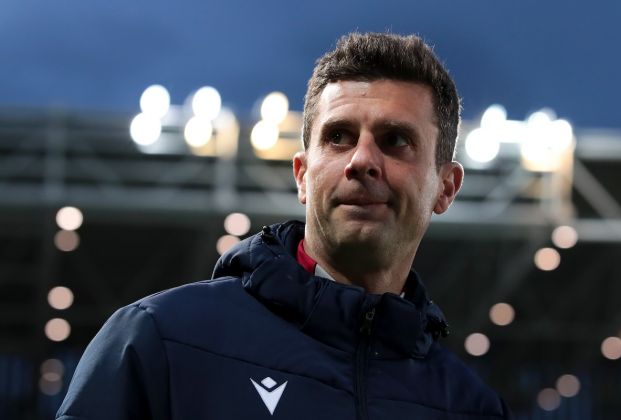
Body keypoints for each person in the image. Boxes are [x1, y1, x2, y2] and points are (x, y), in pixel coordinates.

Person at [57, 32, 512, 419]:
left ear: (446, 188)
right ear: (301, 175)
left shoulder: (471, 408)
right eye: (338, 137)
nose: (362, 161)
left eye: (395, 141)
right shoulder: (159, 341)